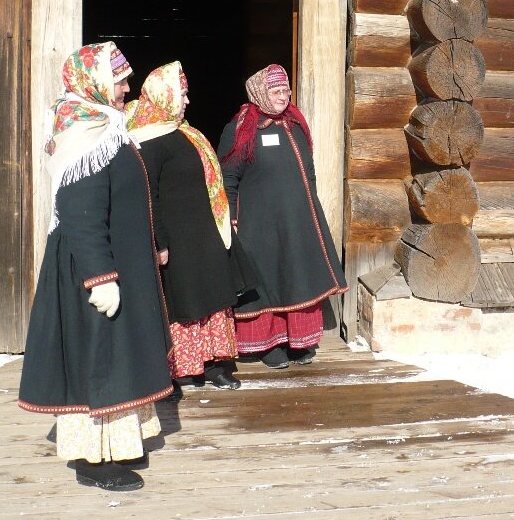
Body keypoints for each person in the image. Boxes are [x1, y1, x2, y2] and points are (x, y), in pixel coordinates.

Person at [18, 42, 173, 492]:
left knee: (115, 356)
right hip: (93, 270)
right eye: (120, 80)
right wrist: (100, 278)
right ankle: (93, 458)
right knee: (99, 361)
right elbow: (80, 212)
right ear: (95, 82)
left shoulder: (105, 125)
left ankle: (118, 443)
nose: (127, 88)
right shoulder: (84, 131)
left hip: (115, 262)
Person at [218, 64, 348, 369]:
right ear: (260, 93)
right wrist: (233, 219)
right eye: (276, 91)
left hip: (298, 219)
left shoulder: (294, 122)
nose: (283, 96)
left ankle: (298, 341)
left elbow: (309, 169)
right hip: (259, 224)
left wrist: (312, 204)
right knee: (269, 280)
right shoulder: (241, 128)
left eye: (286, 90)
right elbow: (228, 178)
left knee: (298, 276)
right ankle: (269, 345)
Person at [127, 61, 245, 395]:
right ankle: (179, 369)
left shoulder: (186, 132)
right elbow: (148, 196)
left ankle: (213, 365)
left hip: (203, 234)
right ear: (163, 96)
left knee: (211, 296)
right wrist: (159, 241)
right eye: (182, 94)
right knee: (184, 302)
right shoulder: (145, 141)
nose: (188, 101)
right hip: (177, 240)